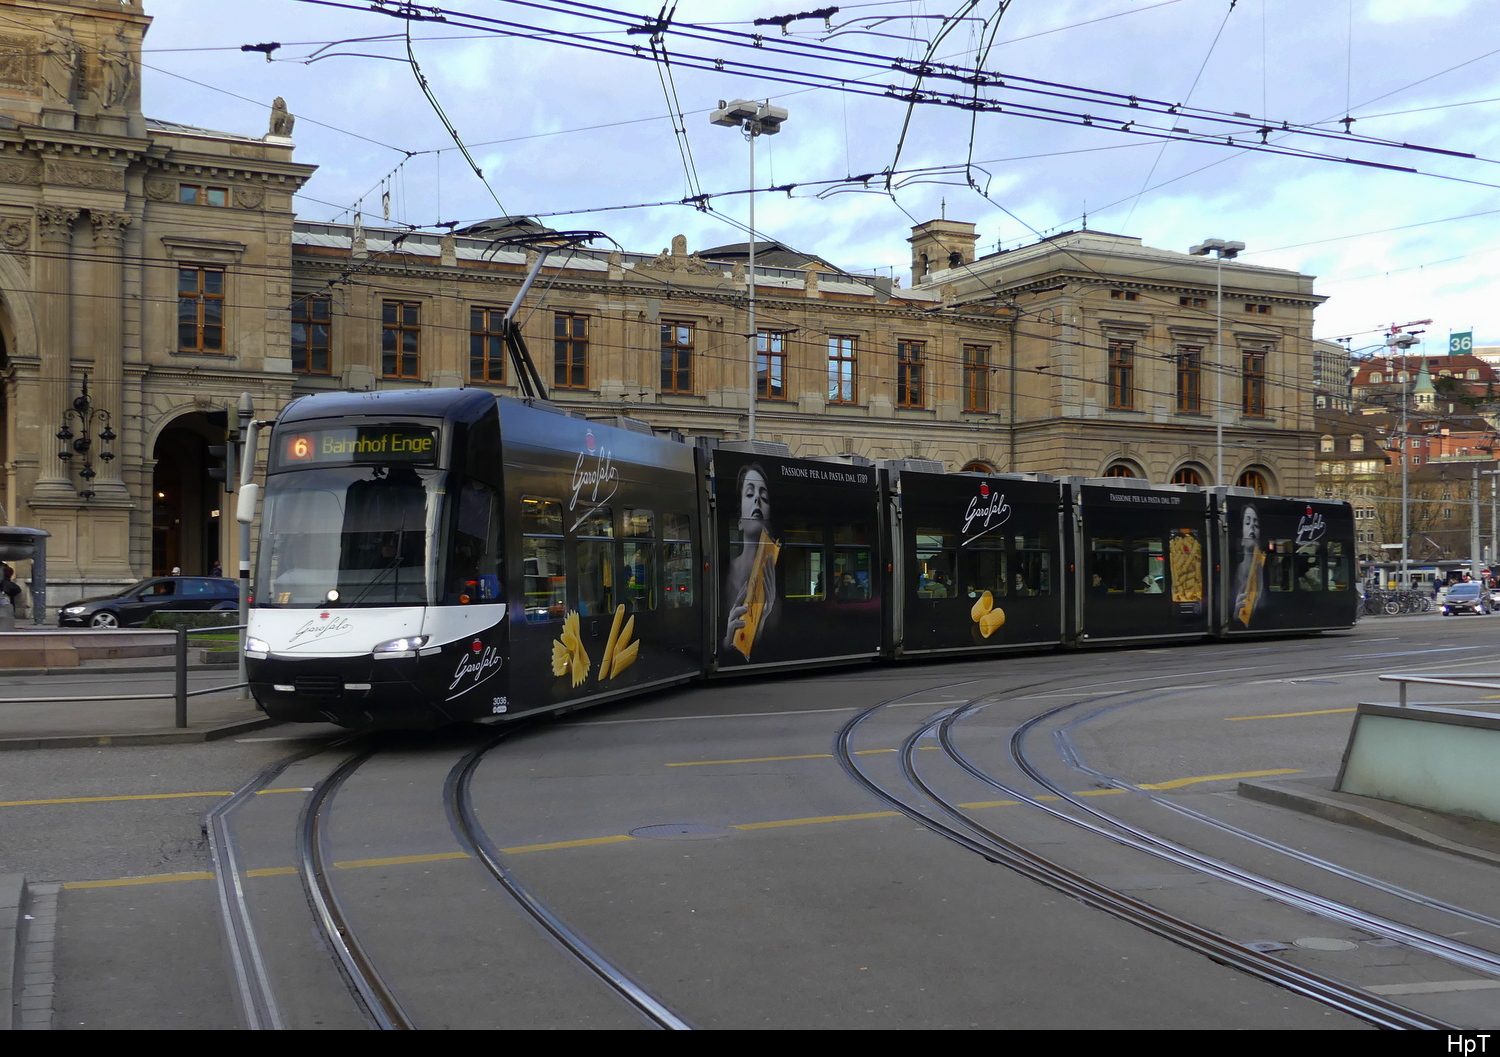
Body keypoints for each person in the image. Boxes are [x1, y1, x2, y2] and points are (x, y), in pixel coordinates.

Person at [723, 463, 778, 657]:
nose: (757, 499)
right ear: (739, 521)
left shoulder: (775, 579)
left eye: (764, 497)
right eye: (749, 494)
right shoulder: (724, 576)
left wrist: (761, 619)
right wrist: (728, 639)